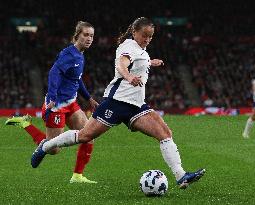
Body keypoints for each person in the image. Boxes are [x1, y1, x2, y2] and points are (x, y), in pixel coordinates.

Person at [31, 17, 205, 189]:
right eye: (144, 35)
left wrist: (150, 62)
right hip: (116, 102)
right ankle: (46, 146)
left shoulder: (142, 51)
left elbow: (138, 62)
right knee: (85, 136)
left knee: (165, 133)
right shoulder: (128, 46)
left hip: (136, 105)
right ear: (135, 32)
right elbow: (123, 64)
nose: (147, 39)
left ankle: (181, 176)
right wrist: (128, 76)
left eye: (150, 36)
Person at [7, 21, 98, 184]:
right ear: (77, 35)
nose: (89, 38)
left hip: (71, 103)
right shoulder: (69, 54)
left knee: (88, 135)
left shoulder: (80, 55)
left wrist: (89, 98)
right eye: (85, 35)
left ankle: (77, 176)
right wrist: (53, 97)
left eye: (91, 35)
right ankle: (25, 124)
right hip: (56, 106)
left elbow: (77, 79)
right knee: (54, 149)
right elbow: (54, 72)